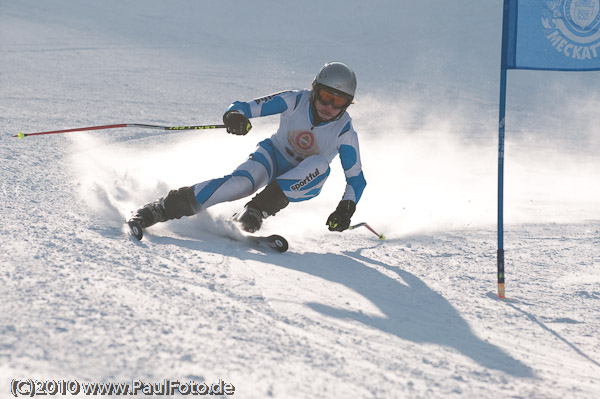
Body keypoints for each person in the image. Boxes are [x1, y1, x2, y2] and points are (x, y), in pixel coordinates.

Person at [129, 61, 367, 236]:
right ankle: (161, 208)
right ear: (314, 89)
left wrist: (345, 209)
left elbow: (356, 180)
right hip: (272, 156)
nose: (328, 106)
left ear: (348, 104)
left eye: (338, 102)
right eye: (325, 96)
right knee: (240, 183)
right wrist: (235, 116)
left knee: (319, 164)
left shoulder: (344, 132)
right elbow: (244, 106)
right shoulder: (295, 100)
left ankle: (256, 210)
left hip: (304, 180)